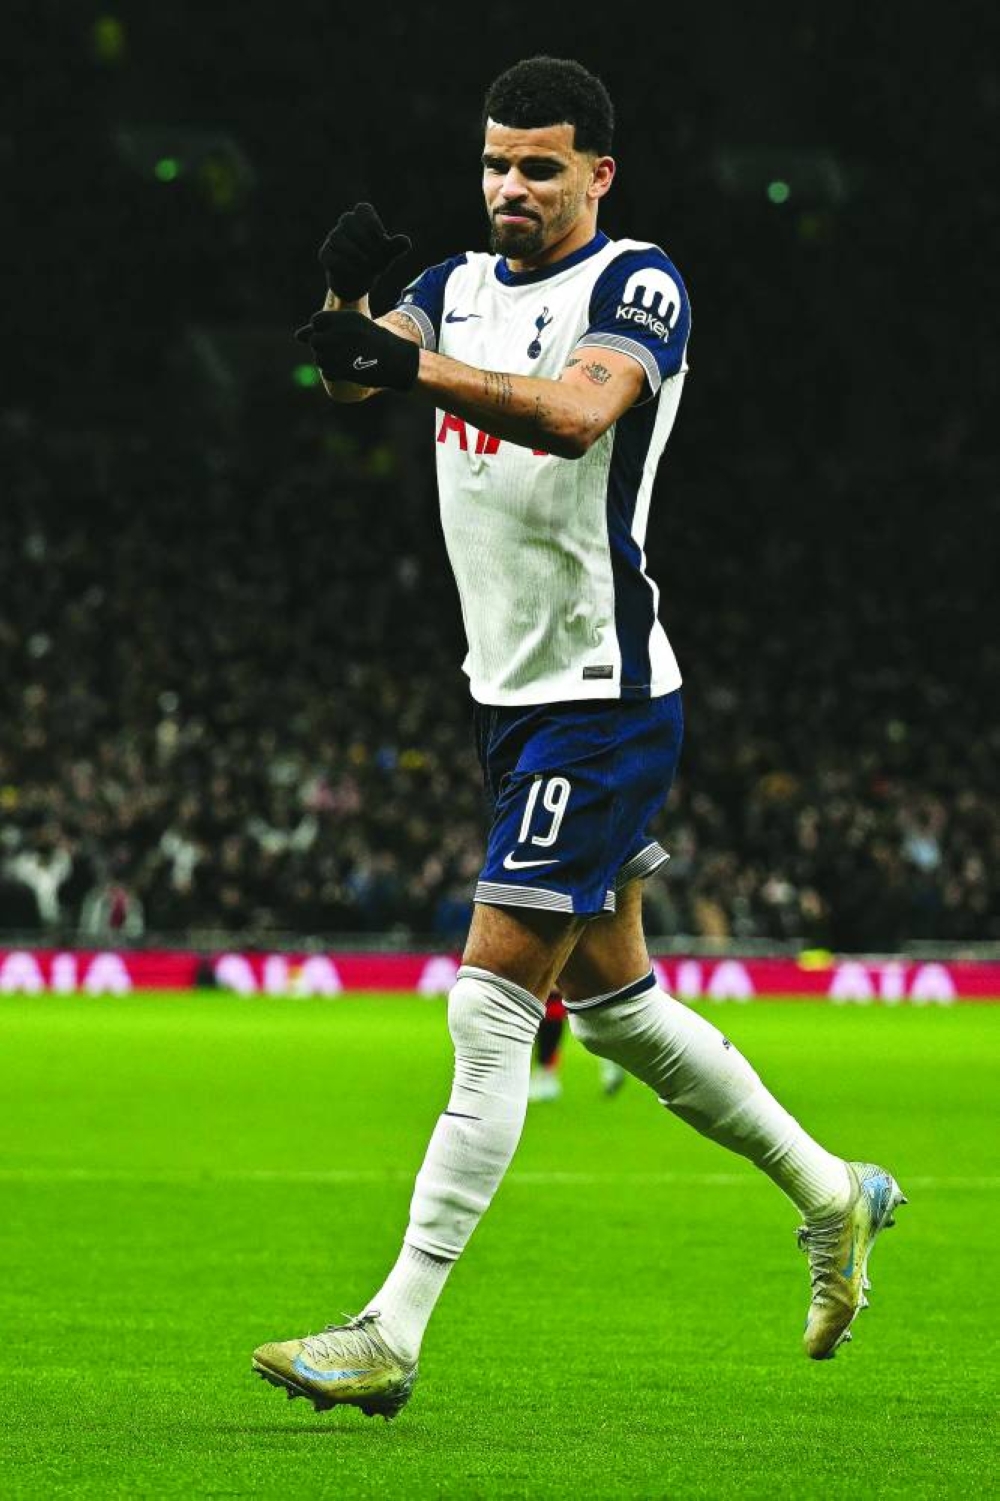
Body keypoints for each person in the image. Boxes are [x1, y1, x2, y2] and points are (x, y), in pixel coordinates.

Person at [253, 55, 904, 1419]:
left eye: (540, 167)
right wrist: (337, 309)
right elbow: (346, 384)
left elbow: (577, 414)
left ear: (598, 174)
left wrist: (401, 352)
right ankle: (833, 1192)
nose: (510, 189)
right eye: (495, 163)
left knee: (491, 997)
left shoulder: (635, 285)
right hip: (509, 696)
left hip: (602, 698)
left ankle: (392, 1328)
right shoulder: (456, 284)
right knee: (618, 1008)